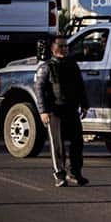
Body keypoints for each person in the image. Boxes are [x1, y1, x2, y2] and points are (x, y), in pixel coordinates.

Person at [34, 35, 90, 187]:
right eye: (61, 46)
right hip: (54, 111)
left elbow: (80, 86)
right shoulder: (47, 67)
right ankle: (60, 175)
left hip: (71, 109)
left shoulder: (73, 65)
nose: (64, 49)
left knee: (77, 142)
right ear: (53, 48)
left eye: (66, 46)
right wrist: (43, 111)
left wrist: (85, 105)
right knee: (57, 145)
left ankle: (75, 173)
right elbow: (39, 89)